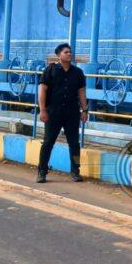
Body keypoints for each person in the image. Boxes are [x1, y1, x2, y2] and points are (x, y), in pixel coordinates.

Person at [36, 43, 88, 183]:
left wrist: (84, 110)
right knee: (48, 143)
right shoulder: (50, 70)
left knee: (74, 144)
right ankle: (42, 171)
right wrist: (42, 110)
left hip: (72, 113)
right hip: (53, 113)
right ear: (59, 55)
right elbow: (42, 90)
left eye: (70, 52)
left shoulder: (77, 72)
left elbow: (82, 92)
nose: (69, 54)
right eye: (66, 52)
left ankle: (75, 171)